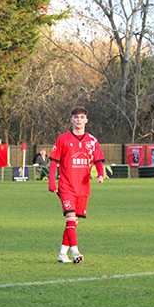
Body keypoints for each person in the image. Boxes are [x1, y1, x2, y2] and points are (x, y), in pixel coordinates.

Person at [49, 107, 105, 264]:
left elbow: (98, 160)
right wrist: (52, 183)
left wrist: (101, 174)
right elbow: (54, 162)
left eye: (81, 117)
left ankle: (62, 254)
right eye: (76, 117)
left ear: (86, 120)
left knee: (73, 223)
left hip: (83, 187)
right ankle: (76, 252)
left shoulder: (92, 141)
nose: (79, 119)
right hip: (66, 186)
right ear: (71, 120)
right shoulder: (63, 139)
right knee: (71, 218)